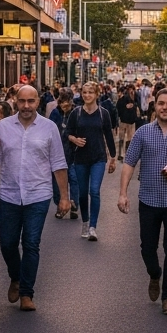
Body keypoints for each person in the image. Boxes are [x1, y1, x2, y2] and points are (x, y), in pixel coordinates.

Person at [0, 84, 71, 311]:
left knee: (31, 244)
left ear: (37, 103)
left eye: (30, 101)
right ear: (16, 102)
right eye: (22, 101)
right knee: (7, 243)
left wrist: (64, 197)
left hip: (38, 194)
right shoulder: (2, 127)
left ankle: (26, 293)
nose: (26, 106)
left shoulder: (49, 128)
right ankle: (16, 276)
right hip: (9, 194)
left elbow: (58, 163)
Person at [117, 87, 167, 315]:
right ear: (155, 105)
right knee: (147, 248)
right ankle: (154, 274)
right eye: (161, 103)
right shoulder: (143, 133)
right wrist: (123, 193)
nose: (164, 107)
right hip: (149, 200)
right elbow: (129, 163)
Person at [66, 81, 117, 240]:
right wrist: (74, 140)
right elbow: (67, 132)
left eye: (90, 92)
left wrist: (113, 157)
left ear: (97, 94)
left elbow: (109, 135)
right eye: (85, 92)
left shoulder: (103, 113)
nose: (87, 95)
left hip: (98, 158)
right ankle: (86, 222)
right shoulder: (76, 113)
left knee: (94, 191)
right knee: (82, 193)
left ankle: (93, 227)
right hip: (80, 158)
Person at [49, 89, 80, 219]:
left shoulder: (77, 113)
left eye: (66, 103)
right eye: (62, 103)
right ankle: (60, 204)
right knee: (56, 181)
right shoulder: (55, 113)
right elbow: (49, 129)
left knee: (73, 178)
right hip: (57, 151)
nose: (64, 106)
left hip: (73, 152)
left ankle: (73, 204)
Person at [116, 85, 141, 161]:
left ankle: (122, 154)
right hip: (129, 121)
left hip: (125, 121)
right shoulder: (131, 98)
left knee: (124, 138)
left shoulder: (124, 99)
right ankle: (125, 154)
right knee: (126, 138)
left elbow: (117, 109)